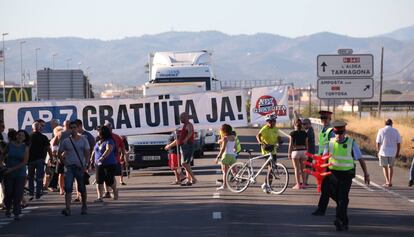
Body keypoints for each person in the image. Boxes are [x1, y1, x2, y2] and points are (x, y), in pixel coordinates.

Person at [312, 120, 370, 231]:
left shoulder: (351, 143)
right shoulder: (330, 143)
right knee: (329, 193)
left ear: (345, 132)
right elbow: (323, 159)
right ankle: (333, 215)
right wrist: (321, 173)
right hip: (332, 174)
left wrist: (366, 174)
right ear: (334, 132)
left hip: (346, 175)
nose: (339, 136)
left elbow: (361, 159)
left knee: (342, 199)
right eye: (337, 133)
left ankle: (339, 220)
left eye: (341, 133)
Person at [58, 121, 90, 216]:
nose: (73, 129)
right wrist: (64, 162)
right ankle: (67, 209)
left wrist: (86, 164)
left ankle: (84, 206)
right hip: (70, 167)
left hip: (80, 167)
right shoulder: (66, 141)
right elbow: (59, 153)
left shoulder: (83, 139)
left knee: (81, 188)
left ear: (78, 128)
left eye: (74, 127)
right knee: (68, 188)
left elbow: (87, 151)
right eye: (71, 127)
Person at [1, 129, 30, 220]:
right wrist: (1, 165)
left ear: (25, 138)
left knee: (18, 193)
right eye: (19, 135)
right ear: (16, 136)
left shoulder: (25, 147)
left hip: (20, 173)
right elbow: (2, 155)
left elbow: (24, 162)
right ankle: (8, 208)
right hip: (8, 173)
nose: (20, 137)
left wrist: (12, 169)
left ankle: (16, 212)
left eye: (22, 135)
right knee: (8, 192)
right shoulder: (10, 145)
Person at [312, 110, 335, 215]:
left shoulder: (331, 131)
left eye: (326, 118)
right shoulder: (322, 130)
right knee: (326, 187)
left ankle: (322, 209)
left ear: (330, 119)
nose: (323, 120)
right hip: (322, 161)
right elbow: (320, 148)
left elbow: (333, 147)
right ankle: (322, 208)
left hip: (329, 162)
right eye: (322, 118)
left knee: (326, 187)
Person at [165, 112, 197, 186]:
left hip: (187, 145)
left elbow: (191, 132)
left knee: (184, 163)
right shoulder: (184, 125)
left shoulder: (189, 125)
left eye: (182, 117)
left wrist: (186, 139)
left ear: (186, 117)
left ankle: (193, 178)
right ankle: (189, 180)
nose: (180, 119)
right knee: (186, 164)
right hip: (184, 146)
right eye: (180, 118)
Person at [90, 125, 118, 202]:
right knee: (99, 180)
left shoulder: (109, 141)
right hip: (98, 164)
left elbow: (108, 149)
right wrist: (92, 159)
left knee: (109, 180)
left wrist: (102, 157)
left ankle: (115, 190)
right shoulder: (98, 141)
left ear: (103, 132)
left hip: (109, 164)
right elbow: (94, 150)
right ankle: (100, 197)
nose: (97, 132)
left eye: (98, 131)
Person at [256, 114, 281, 194]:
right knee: (270, 168)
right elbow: (258, 135)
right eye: (270, 121)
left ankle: (266, 184)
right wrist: (260, 142)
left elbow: (278, 137)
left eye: (274, 121)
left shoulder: (276, 129)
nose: (272, 123)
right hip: (266, 150)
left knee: (272, 169)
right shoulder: (265, 128)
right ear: (267, 122)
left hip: (273, 151)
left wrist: (280, 141)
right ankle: (267, 185)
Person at [27, 121, 52, 200]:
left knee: (31, 177)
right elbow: (48, 148)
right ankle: (38, 192)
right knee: (39, 177)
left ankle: (31, 192)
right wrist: (51, 157)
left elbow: (26, 149)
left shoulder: (29, 137)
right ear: (40, 128)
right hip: (40, 160)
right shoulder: (43, 137)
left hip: (30, 160)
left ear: (32, 128)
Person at [376, 119, 401, 187]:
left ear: (385, 123)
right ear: (391, 124)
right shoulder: (395, 131)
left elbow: (378, 142)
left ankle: (387, 181)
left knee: (385, 167)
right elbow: (398, 143)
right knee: (391, 167)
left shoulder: (381, 130)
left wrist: (378, 151)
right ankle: (390, 181)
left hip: (383, 151)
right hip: (393, 152)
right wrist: (397, 152)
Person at [215, 124, 237, 191]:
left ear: (224, 130)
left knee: (225, 172)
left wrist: (218, 157)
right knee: (234, 172)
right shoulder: (233, 137)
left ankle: (224, 185)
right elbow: (235, 148)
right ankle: (237, 185)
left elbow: (223, 148)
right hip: (232, 156)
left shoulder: (225, 138)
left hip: (226, 155)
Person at [288, 119, 308, 189]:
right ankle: (304, 184)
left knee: (297, 168)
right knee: (303, 169)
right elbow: (306, 144)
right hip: (304, 151)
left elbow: (290, 144)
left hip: (295, 151)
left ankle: (298, 184)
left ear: (294, 125)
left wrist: (289, 153)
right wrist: (307, 153)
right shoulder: (305, 133)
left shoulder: (292, 133)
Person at [302, 118, 315, 185]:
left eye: (305, 124)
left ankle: (305, 181)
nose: (304, 125)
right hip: (309, 151)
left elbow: (305, 139)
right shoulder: (308, 130)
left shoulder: (310, 131)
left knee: (307, 166)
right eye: (303, 124)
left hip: (309, 151)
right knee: (307, 166)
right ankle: (305, 181)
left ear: (309, 124)